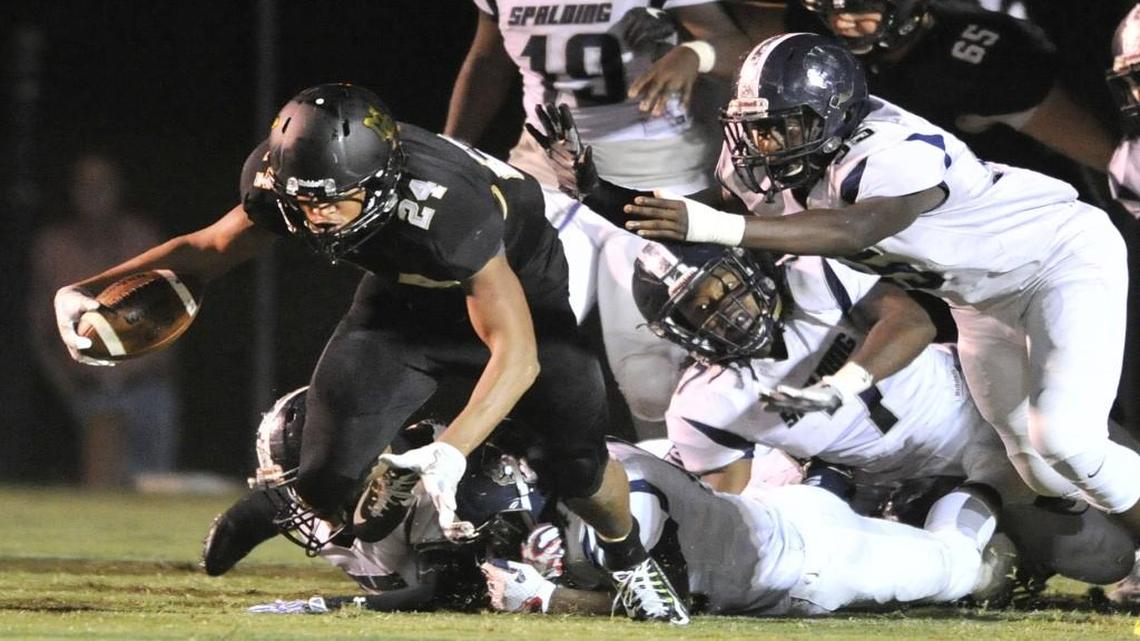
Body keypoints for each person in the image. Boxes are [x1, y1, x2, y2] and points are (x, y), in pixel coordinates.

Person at [52, 84, 687, 623]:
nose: (320, 218)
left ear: (383, 179)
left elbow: (515, 354)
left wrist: (448, 455)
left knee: (576, 465)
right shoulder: (287, 181)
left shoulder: (446, 206)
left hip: (520, 300)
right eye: (306, 202)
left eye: (333, 200)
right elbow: (210, 249)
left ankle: (631, 561)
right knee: (325, 478)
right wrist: (85, 291)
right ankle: (286, 501)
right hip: (400, 306)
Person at [535, 33, 1140, 541]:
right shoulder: (764, 165)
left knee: (1064, 439)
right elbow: (690, 222)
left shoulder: (895, 148)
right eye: (757, 129)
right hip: (978, 301)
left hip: (1061, 261)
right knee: (1042, 471)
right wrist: (599, 192)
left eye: (783, 127)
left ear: (836, 113)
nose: (765, 145)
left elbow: (857, 227)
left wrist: (718, 224)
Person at [630, 241, 1136, 587]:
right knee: (1105, 561)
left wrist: (841, 384)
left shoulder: (811, 276)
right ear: (678, 330)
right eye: (701, 308)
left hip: (990, 410)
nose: (727, 309)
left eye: (721, 285)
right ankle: (997, 547)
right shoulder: (705, 403)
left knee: (1104, 472)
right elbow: (729, 501)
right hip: (911, 483)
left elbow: (911, 323)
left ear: (742, 267)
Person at [444, 1, 751, 438]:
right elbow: (488, 58)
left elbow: (743, 51)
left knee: (652, 377)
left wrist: (694, 53)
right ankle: (528, 480)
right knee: (513, 338)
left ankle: (679, 487)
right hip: (546, 177)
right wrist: (454, 147)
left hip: (655, 180)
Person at [481, 438, 1009, 616]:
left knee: (961, 566)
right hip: (771, 509)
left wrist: (551, 600)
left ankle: (1004, 475)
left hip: (811, 567)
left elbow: (668, 605)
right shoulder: (579, 457)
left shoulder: (622, 511)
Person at [203, 388, 548, 614]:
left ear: (358, 467)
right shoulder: (331, 495)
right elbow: (253, 517)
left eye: (307, 483)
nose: (300, 501)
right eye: (295, 486)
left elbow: (447, 594)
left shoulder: (425, 484)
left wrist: (323, 606)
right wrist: (224, 540)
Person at [30, 152, 181, 487]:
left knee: (155, 489)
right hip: (90, 396)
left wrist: (151, 366)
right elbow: (39, 331)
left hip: (148, 390)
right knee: (102, 491)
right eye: (86, 185)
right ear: (73, 191)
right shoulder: (53, 247)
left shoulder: (142, 238)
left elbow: (173, 308)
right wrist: (68, 388)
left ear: (118, 189)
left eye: (103, 185)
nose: (95, 193)